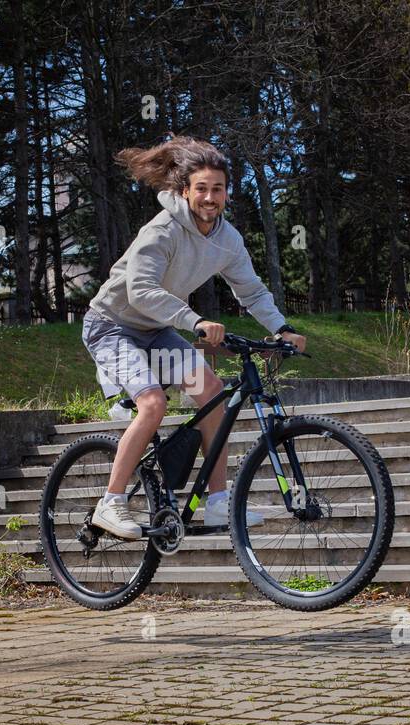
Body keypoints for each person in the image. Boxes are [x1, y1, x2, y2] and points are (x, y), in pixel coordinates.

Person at [81, 135, 306, 539]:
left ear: (226, 194)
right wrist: (195, 320)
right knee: (153, 404)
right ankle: (111, 502)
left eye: (217, 189)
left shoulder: (228, 239)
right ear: (184, 191)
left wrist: (281, 328)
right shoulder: (162, 231)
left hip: (157, 329)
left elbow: (251, 291)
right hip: (111, 325)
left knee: (212, 392)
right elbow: (141, 291)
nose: (209, 197)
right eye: (201, 188)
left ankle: (218, 503)